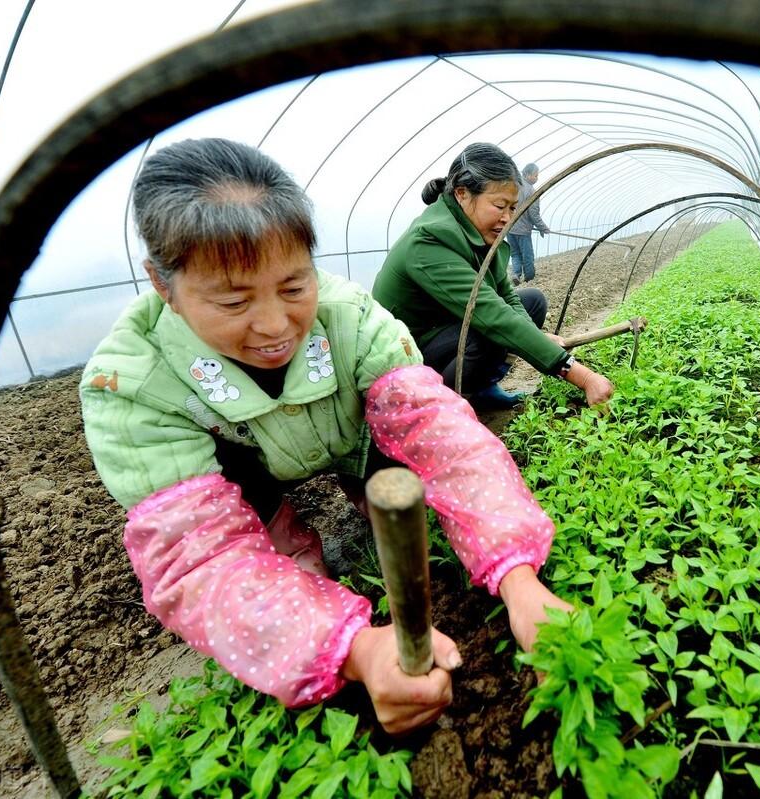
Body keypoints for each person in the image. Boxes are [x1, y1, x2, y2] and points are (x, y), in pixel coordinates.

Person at [79, 138, 571, 734]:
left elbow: (443, 435)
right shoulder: (130, 383)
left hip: (346, 436)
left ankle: (363, 489)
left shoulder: (349, 317)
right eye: (233, 300)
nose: (273, 325)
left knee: (397, 496)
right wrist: (357, 651)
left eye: (293, 287)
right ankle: (291, 553)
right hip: (244, 468)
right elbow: (201, 557)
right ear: (163, 284)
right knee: (278, 577)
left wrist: (519, 579)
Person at [372, 143, 613, 410]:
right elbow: (492, 314)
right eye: (500, 206)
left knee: (532, 301)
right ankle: (438, 408)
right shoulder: (429, 241)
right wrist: (582, 375)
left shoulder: (473, 227)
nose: (508, 218)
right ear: (462, 193)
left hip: (442, 331)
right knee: (490, 330)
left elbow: (505, 293)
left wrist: (537, 337)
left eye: (512, 208)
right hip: (405, 360)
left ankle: (481, 388)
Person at [506, 162, 550, 285]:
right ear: (527, 174)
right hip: (523, 230)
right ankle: (529, 278)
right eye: (535, 175)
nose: (537, 178)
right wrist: (544, 228)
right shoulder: (531, 191)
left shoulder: (513, 185)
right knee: (527, 255)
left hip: (509, 228)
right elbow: (533, 214)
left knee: (515, 254)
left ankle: (516, 274)